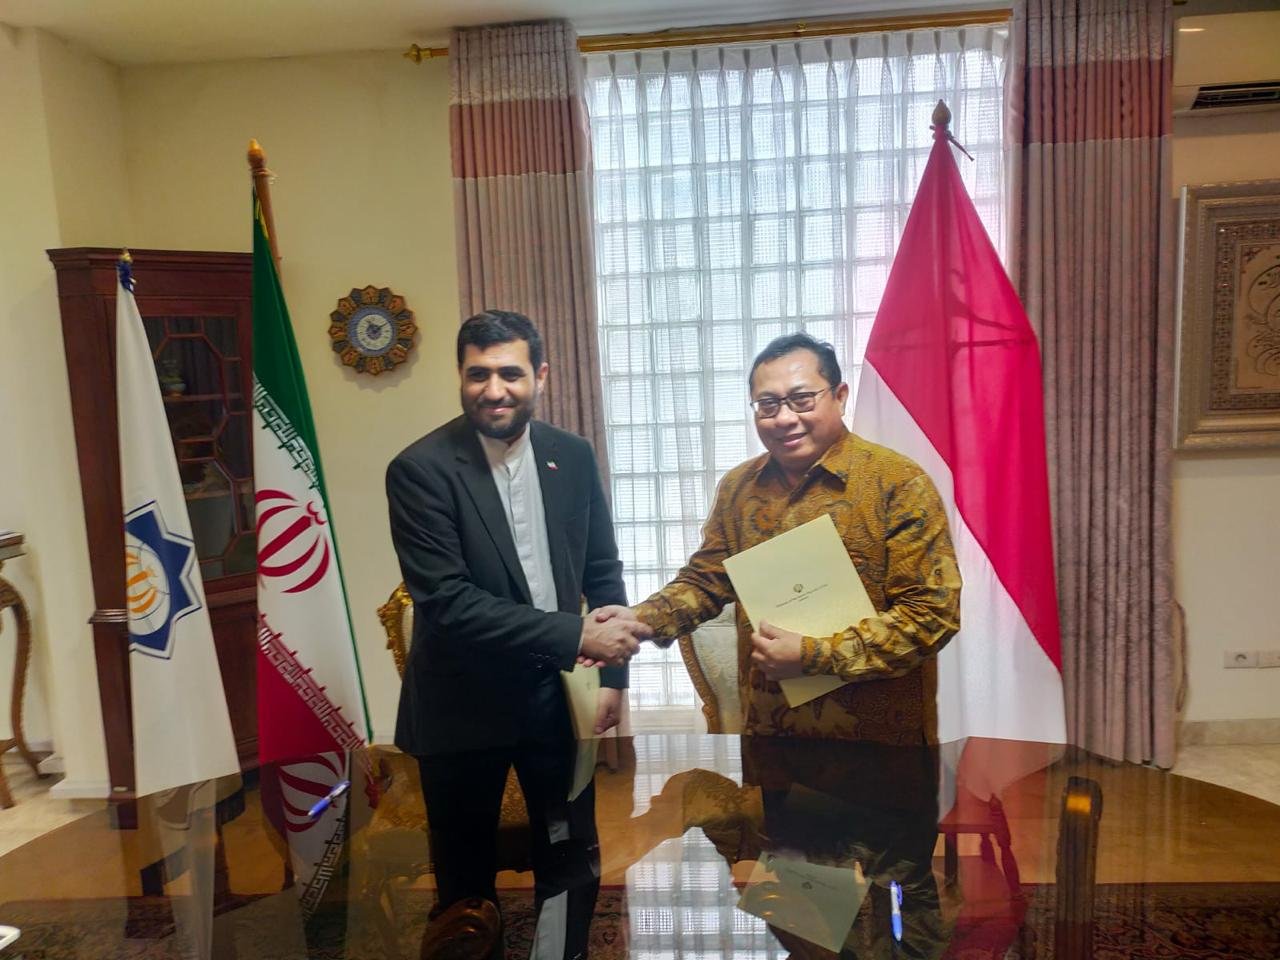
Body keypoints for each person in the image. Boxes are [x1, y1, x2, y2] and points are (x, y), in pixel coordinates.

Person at [387, 309, 651, 958]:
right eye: (478, 374)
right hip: (459, 711)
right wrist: (578, 637)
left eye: (510, 373)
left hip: (555, 702)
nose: (494, 389)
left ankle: (560, 954)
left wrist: (613, 679)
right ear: (460, 376)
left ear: (541, 376)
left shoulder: (572, 456)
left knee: (569, 857)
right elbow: (449, 604)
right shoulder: (419, 470)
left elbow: (602, 570)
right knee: (464, 882)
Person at [601, 332, 961, 744]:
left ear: (840, 396)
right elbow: (706, 581)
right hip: (769, 736)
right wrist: (638, 620)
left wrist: (813, 656)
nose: (785, 418)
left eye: (802, 399)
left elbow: (931, 615)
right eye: (768, 405)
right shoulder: (739, 488)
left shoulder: (896, 483)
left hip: (879, 742)